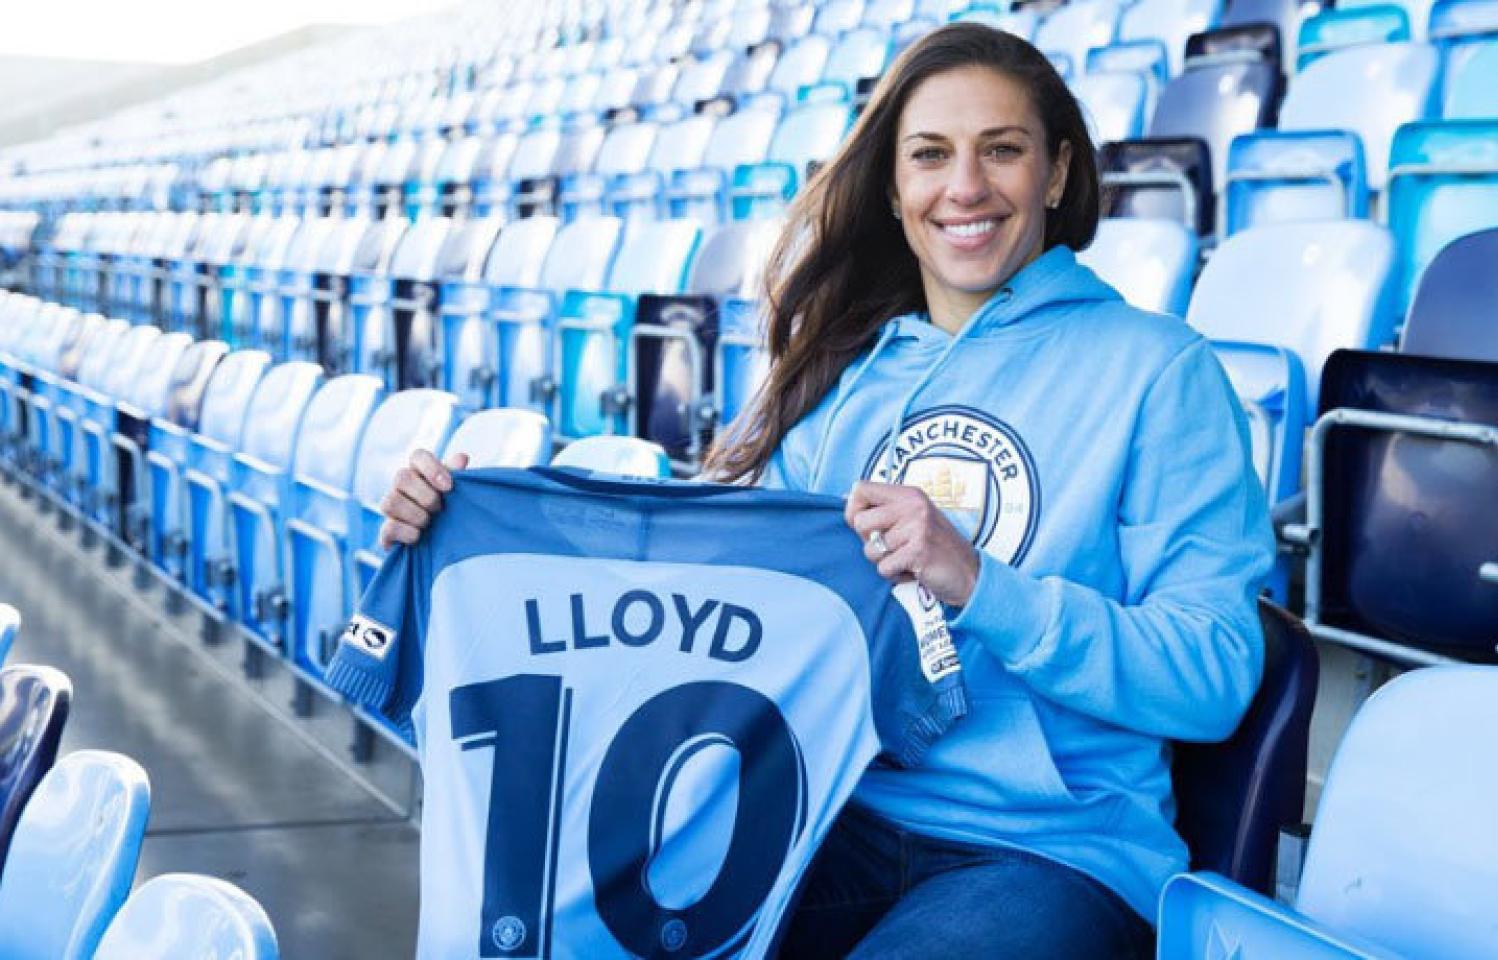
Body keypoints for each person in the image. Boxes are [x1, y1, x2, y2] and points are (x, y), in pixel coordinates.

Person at [379, 22, 1272, 958]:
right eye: (930, 156)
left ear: (1054, 173)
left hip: (1050, 850)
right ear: (893, 190)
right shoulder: (845, 382)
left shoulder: (1161, 372)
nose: (964, 186)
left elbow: (1211, 676)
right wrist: (480, 526)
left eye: (1001, 150)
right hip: (824, 814)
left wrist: (979, 585)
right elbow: (718, 591)